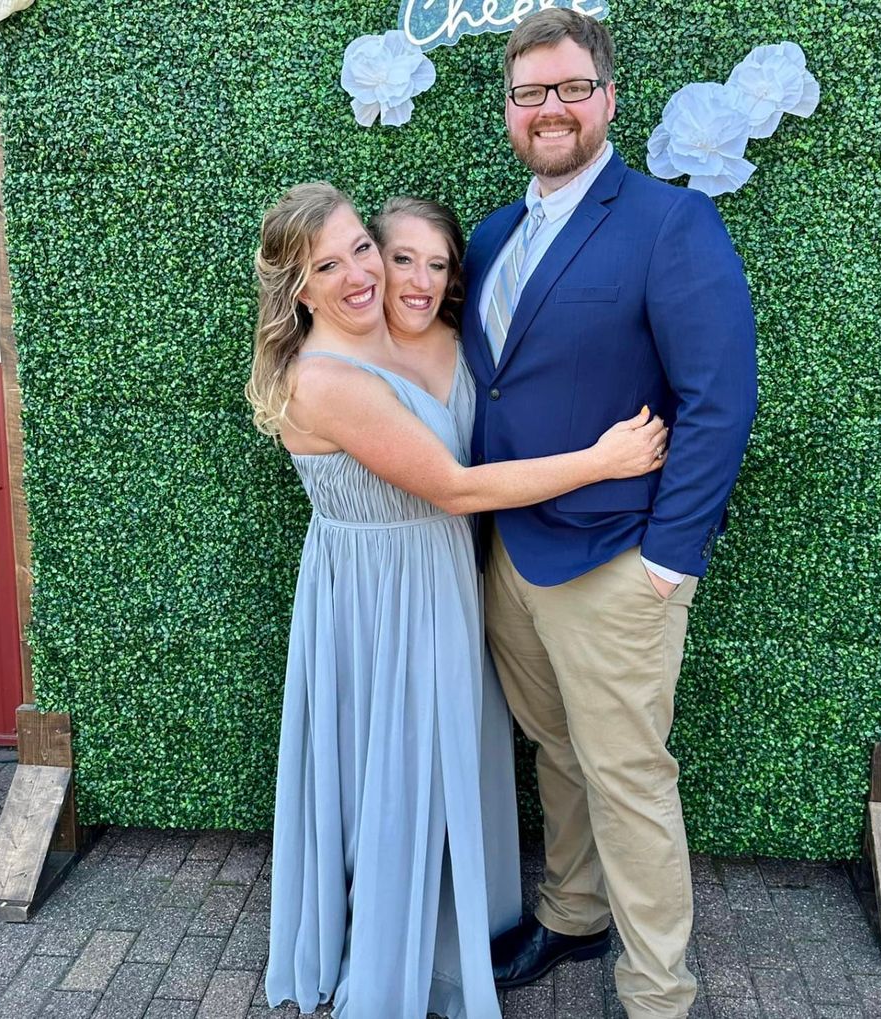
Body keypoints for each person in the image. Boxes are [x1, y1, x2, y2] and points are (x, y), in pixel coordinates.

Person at [247, 182, 669, 1019]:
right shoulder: (324, 378)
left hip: (440, 579)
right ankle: (396, 955)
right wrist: (604, 461)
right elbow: (452, 486)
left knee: (443, 760)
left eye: (360, 249)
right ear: (298, 290)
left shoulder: (425, 337)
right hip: (380, 598)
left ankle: (454, 927)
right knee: (397, 768)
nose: (360, 273)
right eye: (327, 266)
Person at [461, 10, 758, 1019]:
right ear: (509, 108)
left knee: (628, 775)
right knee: (557, 751)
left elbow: (719, 399)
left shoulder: (671, 224)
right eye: (530, 92)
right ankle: (575, 910)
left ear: (608, 98)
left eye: (570, 88)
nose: (550, 108)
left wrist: (669, 558)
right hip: (512, 555)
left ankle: (658, 991)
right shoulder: (492, 235)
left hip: (617, 561)